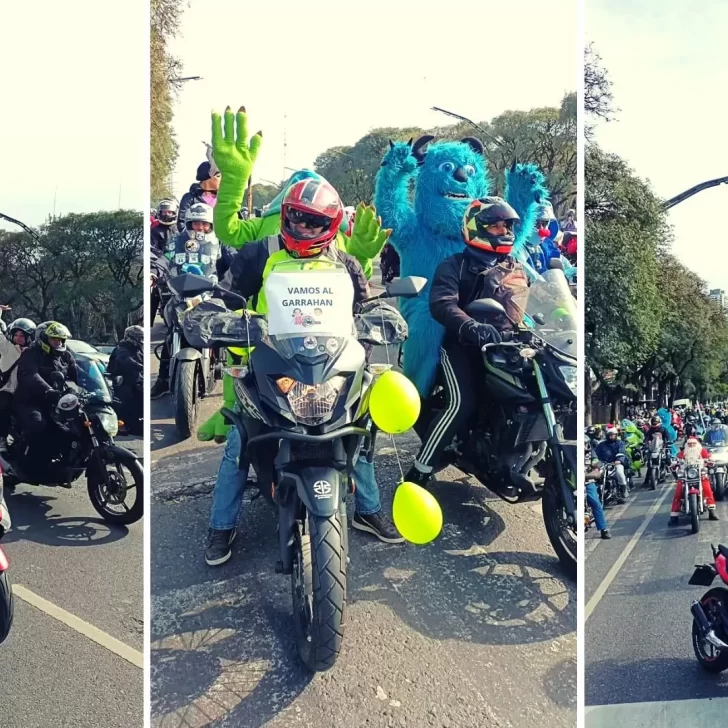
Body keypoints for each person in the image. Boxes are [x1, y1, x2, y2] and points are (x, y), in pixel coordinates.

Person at [204, 177, 403, 566]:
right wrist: (213, 318)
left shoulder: (344, 262)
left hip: (330, 365)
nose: (303, 229)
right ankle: (221, 526)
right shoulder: (260, 252)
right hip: (268, 365)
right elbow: (224, 296)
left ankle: (367, 508)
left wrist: (382, 319)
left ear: (329, 226)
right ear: (285, 216)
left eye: (314, 223)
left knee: (361, 432)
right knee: (237, 445)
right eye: (296, 219)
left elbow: (363, 308)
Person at [404, 197, 526, 489]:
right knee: (461, 404)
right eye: (494, 226)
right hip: (462, 347)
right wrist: (470, 325)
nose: (503, 231)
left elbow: (528, 305)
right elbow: (442, 303)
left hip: (503, 349)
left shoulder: (514, 266)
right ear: (476, 229)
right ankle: (420, 469)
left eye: (506, 226)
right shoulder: (455, 265)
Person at [151, 203, 221, 399]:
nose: (199, 228)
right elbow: (164, 259)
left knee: (222, 328)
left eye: (204, 224)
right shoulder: (176, 242)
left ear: (210, 225)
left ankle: (226, 369)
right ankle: (163, 380)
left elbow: (233, 261)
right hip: (180, 294)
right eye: (195, 224)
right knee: (171, 331)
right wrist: (153, 273)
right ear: (189, 223)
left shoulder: (220, 243)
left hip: (208, 294)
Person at [14, 322, 78, 459]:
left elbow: (80, 374)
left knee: (74, 426)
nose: (57, 342)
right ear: (43, 338)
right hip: (31, 401)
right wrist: (47, 389)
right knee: (38, 424)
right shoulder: (31, 353)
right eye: (53, 338)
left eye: (60, 339)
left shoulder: (66, 355)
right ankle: (25, 459)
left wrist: (98, 389)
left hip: (56, 401)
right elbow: (30, 375)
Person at [0, 317, 36, 450]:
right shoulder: (7, 348)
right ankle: (2, 438)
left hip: (26, 392)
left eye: (22, 335)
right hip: (7, 389)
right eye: (16, 335)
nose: (18, 338)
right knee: (4, 406)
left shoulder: (34, 353)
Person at [669, 437, 719, 525]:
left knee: (707, 489)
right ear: (686, 445)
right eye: (689, 444)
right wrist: (674, 462)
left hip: (700, 474)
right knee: (678, 492)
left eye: (693, 444)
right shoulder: (683, 453)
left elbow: (709, 456)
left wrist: (711, 459)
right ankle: (674, 516)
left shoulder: (702, 451)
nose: (691, 445)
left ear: (697, 444)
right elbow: (677, 458)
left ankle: (712, 511)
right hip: (686, 475)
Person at [108, 326, 144, 436]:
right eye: (139, 338)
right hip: (122, 380)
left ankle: (137, 421)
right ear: (131, 337)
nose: (141, 340)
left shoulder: (138, 348)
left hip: (134, 379)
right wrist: (140, 366)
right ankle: (123, 424)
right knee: (127, 396)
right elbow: (125, 360)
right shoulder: (122, 347)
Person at [178, 161, 221, 232]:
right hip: (196, 240)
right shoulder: (190, 198)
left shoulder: (223, 198)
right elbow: (182, 223)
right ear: (208, 178)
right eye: (218, 176)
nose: (222, 179)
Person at [594, 426, 629, 497]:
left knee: (619, 472)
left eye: (613, 435)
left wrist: (619, 460)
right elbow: (596, 454)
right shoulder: (601, 445)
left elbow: (622, 452)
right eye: (609, 435)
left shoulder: (620, 443)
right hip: (604, 464)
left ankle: (623, 488)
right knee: (596, 474)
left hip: (616, 463)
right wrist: (596, 463)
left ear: (616, 435)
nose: (611, 436)